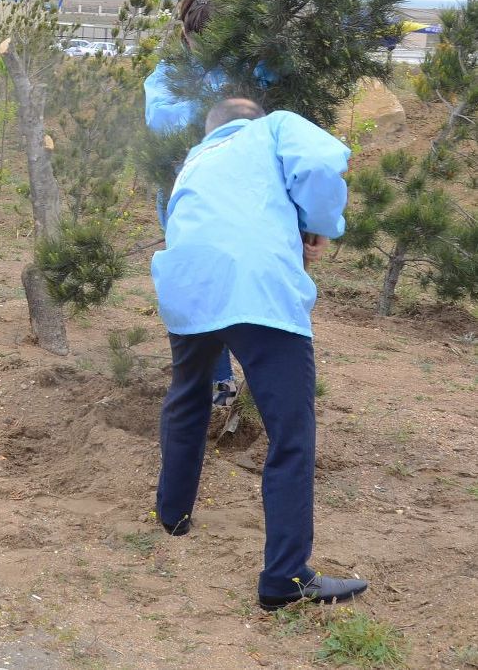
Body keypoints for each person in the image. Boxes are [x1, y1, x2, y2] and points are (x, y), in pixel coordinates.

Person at [153, 97, 368, 611]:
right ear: (249, 119)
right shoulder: (273, 127)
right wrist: (318, 225)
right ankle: (285, 579)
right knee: (291, 432)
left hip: (186, 283)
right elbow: (319, 164)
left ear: (210, 130)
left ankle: (173, 515)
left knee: (188, 396)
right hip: (254, 285)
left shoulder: (192, 164)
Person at [144, 0, 238, 407]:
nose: (205, 45)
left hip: (243, 192)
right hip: (184, 189)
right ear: (185, 34)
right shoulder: (169, 74)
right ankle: (216, 381)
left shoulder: (251, 69)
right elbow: (162, 119)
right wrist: (220, 109)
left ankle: (256, 376)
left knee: (242, 279)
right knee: (198, 283)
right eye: (198, 35)